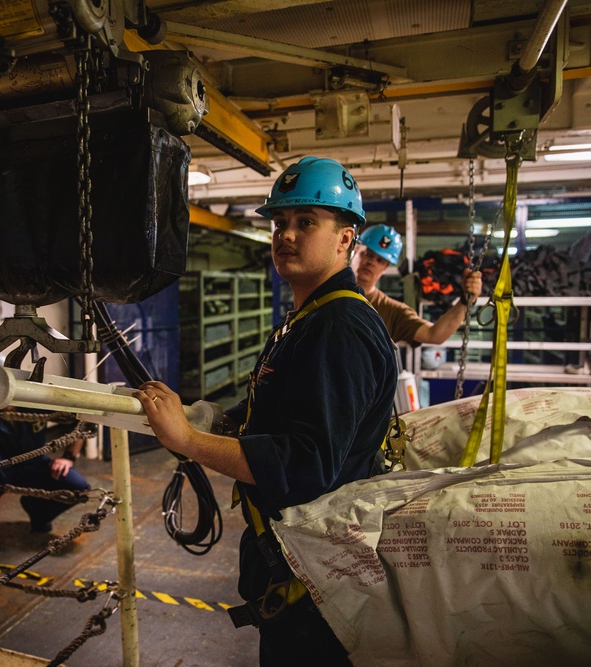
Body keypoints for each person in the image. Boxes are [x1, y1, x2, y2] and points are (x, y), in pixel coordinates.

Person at [135, 157, 397, 666]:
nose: (286, 235)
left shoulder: (338, 328)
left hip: (316, 580)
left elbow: (304, 467)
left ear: (345, 239)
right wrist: (203, 417)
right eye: (280, 223)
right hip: (300, 568)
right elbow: (278, 409)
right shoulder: (309, 318)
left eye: (306, 223)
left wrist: (188, 442)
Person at [0, 409, 89, 557]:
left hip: (33, 464)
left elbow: (81, 420)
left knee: (78, 488)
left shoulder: (35, 404)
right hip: (0, 468)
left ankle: (38, 512)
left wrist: (68, 457)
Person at [351, 224, 483, 346]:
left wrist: (465, 301)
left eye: (380, 260)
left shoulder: (391, 311)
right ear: (355, 251)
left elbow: (433, 335)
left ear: (385, 268)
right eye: (368, 254)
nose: (372, 263)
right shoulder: (330, 287)